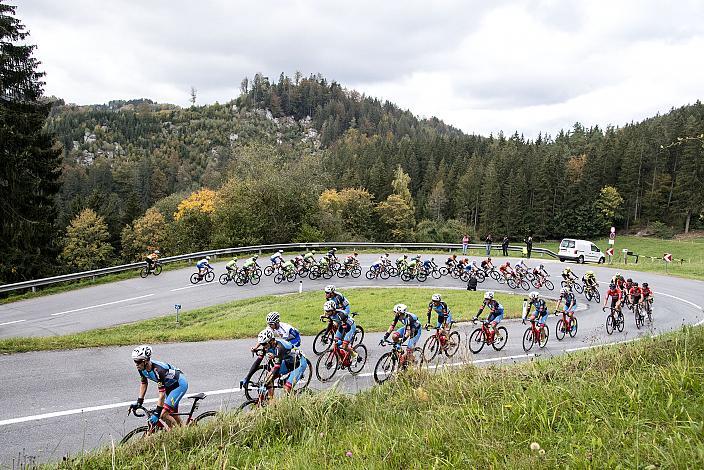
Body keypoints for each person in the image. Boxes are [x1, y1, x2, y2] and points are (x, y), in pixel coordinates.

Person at [130, 345, 187, 428]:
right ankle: (181, 429)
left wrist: (157, 413)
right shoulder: (141, 368)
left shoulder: (158, 370)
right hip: (168, 386)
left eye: (138, 361)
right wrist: (139, 401)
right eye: (135, 361)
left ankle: (181, 433)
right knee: (172, 414)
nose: (136, 364)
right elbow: (144, 383)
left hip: (179, 385)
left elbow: (162, 395)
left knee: (163, 414)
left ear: (145, 361)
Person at [256, 329, 309, 395]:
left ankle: (299, 395)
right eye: (262, 344)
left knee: (287, 388)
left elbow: (277, 367)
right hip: (288, 361)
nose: (263, 346)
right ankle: (272, 402)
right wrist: (246, 379)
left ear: (271, 341)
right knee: (269, 378)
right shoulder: (268, 345)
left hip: (299, 363)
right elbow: (257, 362)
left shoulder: (279, 347)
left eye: (264, 344)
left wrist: (266, 383)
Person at [322, 300, 358, 364]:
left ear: (333, 310)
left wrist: (342, 340)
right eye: (326, 311)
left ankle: (354, 355)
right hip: (342, 326)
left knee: (344, 346)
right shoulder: (330, 314)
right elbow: (330, 324)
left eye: (328, 311)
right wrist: (325, 334)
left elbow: (345, 329)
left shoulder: (341, 315)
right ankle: (340, 360)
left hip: (350, 327)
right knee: (335, 344)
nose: (326, 312)